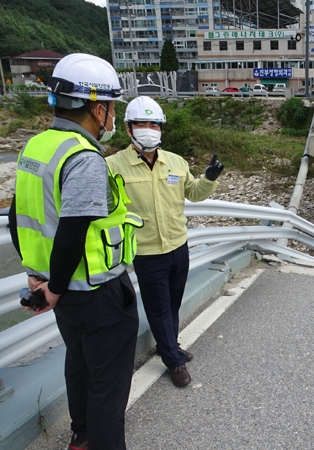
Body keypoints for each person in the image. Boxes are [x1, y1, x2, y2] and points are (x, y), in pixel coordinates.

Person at [8, 54, 143, 450]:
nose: (114, 116)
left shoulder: (37, 146)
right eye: (113, 107)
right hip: (96, 292)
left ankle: (81, 439)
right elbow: (71, 234)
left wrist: (39, 276)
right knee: (109, 387)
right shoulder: (83, 158)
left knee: (80, 365)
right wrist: (55, 286)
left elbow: (19, 217)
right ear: (97, 108)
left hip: (63, 291)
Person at [106, 96, 224, 387]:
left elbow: (194, 193)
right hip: (146, 252)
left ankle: (167, 344)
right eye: (141, 124)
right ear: (128, 129)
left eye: (153, 124)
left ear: (161, 128)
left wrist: (208, 179)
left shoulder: (176, 162)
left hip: (178, 246)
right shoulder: (112, 166)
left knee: (171, 304)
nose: (148, 129)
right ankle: (174, 360)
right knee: (158, 307)